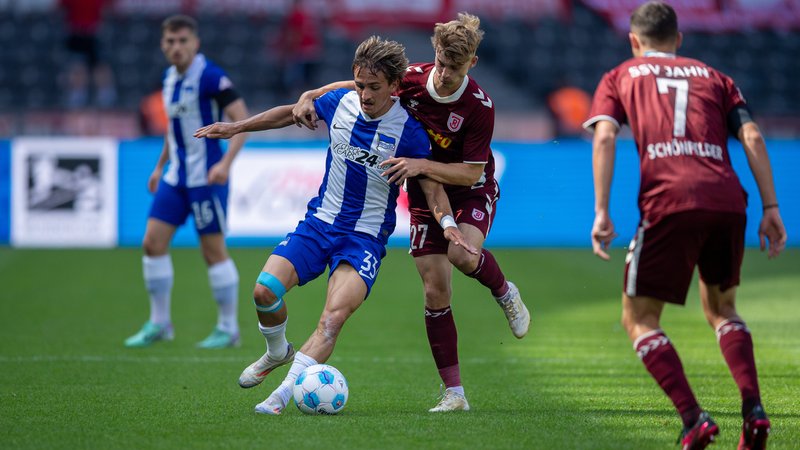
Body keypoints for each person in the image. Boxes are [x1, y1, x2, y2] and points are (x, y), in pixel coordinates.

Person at [194, 35, 476, 415]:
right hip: (318, 224)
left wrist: (446, 223)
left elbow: (431, 186)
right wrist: (236, 128)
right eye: (360, 85)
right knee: (264, 292)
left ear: (395, 87)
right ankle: (278, 351)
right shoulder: (339, 103)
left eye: (374, 88)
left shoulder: (409, 132)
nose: (365, 95)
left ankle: (280, 397)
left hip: (363, 240)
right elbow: (287, 113)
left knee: (332, 318)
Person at [291, 12, 530, 412]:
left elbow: (471, 170)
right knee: (436, 291)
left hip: (469, 190)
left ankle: (504, 291)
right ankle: (455, 394)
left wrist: (421, 166)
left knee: (460, 253)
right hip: (423, 190)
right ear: (435, 53)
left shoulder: (479, 107)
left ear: (472, 62)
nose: (446, 74)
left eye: (456, 67)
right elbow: (353, 86)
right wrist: (308, 95)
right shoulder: (414, 78)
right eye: (442, 63)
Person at [583, 2, 787, 449]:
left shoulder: (620, 75)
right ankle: (753, 410)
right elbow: (751, 135)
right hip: (728, 198)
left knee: (638, 319)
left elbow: (603, 134)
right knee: (723, 309)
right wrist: (771, 207)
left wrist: (601, 210)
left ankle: (693, 418)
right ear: (679, 40)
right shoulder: (716, 77)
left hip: (670, 198)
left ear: (634, 41)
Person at [124, 15, 250, 349]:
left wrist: (225, 163)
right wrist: (159, 166)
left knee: (213, 252)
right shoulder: (168, 79)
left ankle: (228, 328)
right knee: (152, 243)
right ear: (163, 45)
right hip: (175, 177)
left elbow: (243, 122)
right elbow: (173, 130)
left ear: (195, 43)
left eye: (182, 41)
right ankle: (159, 323)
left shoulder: (211, 77)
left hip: (206, 178)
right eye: (170, 42)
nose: (176, 47)